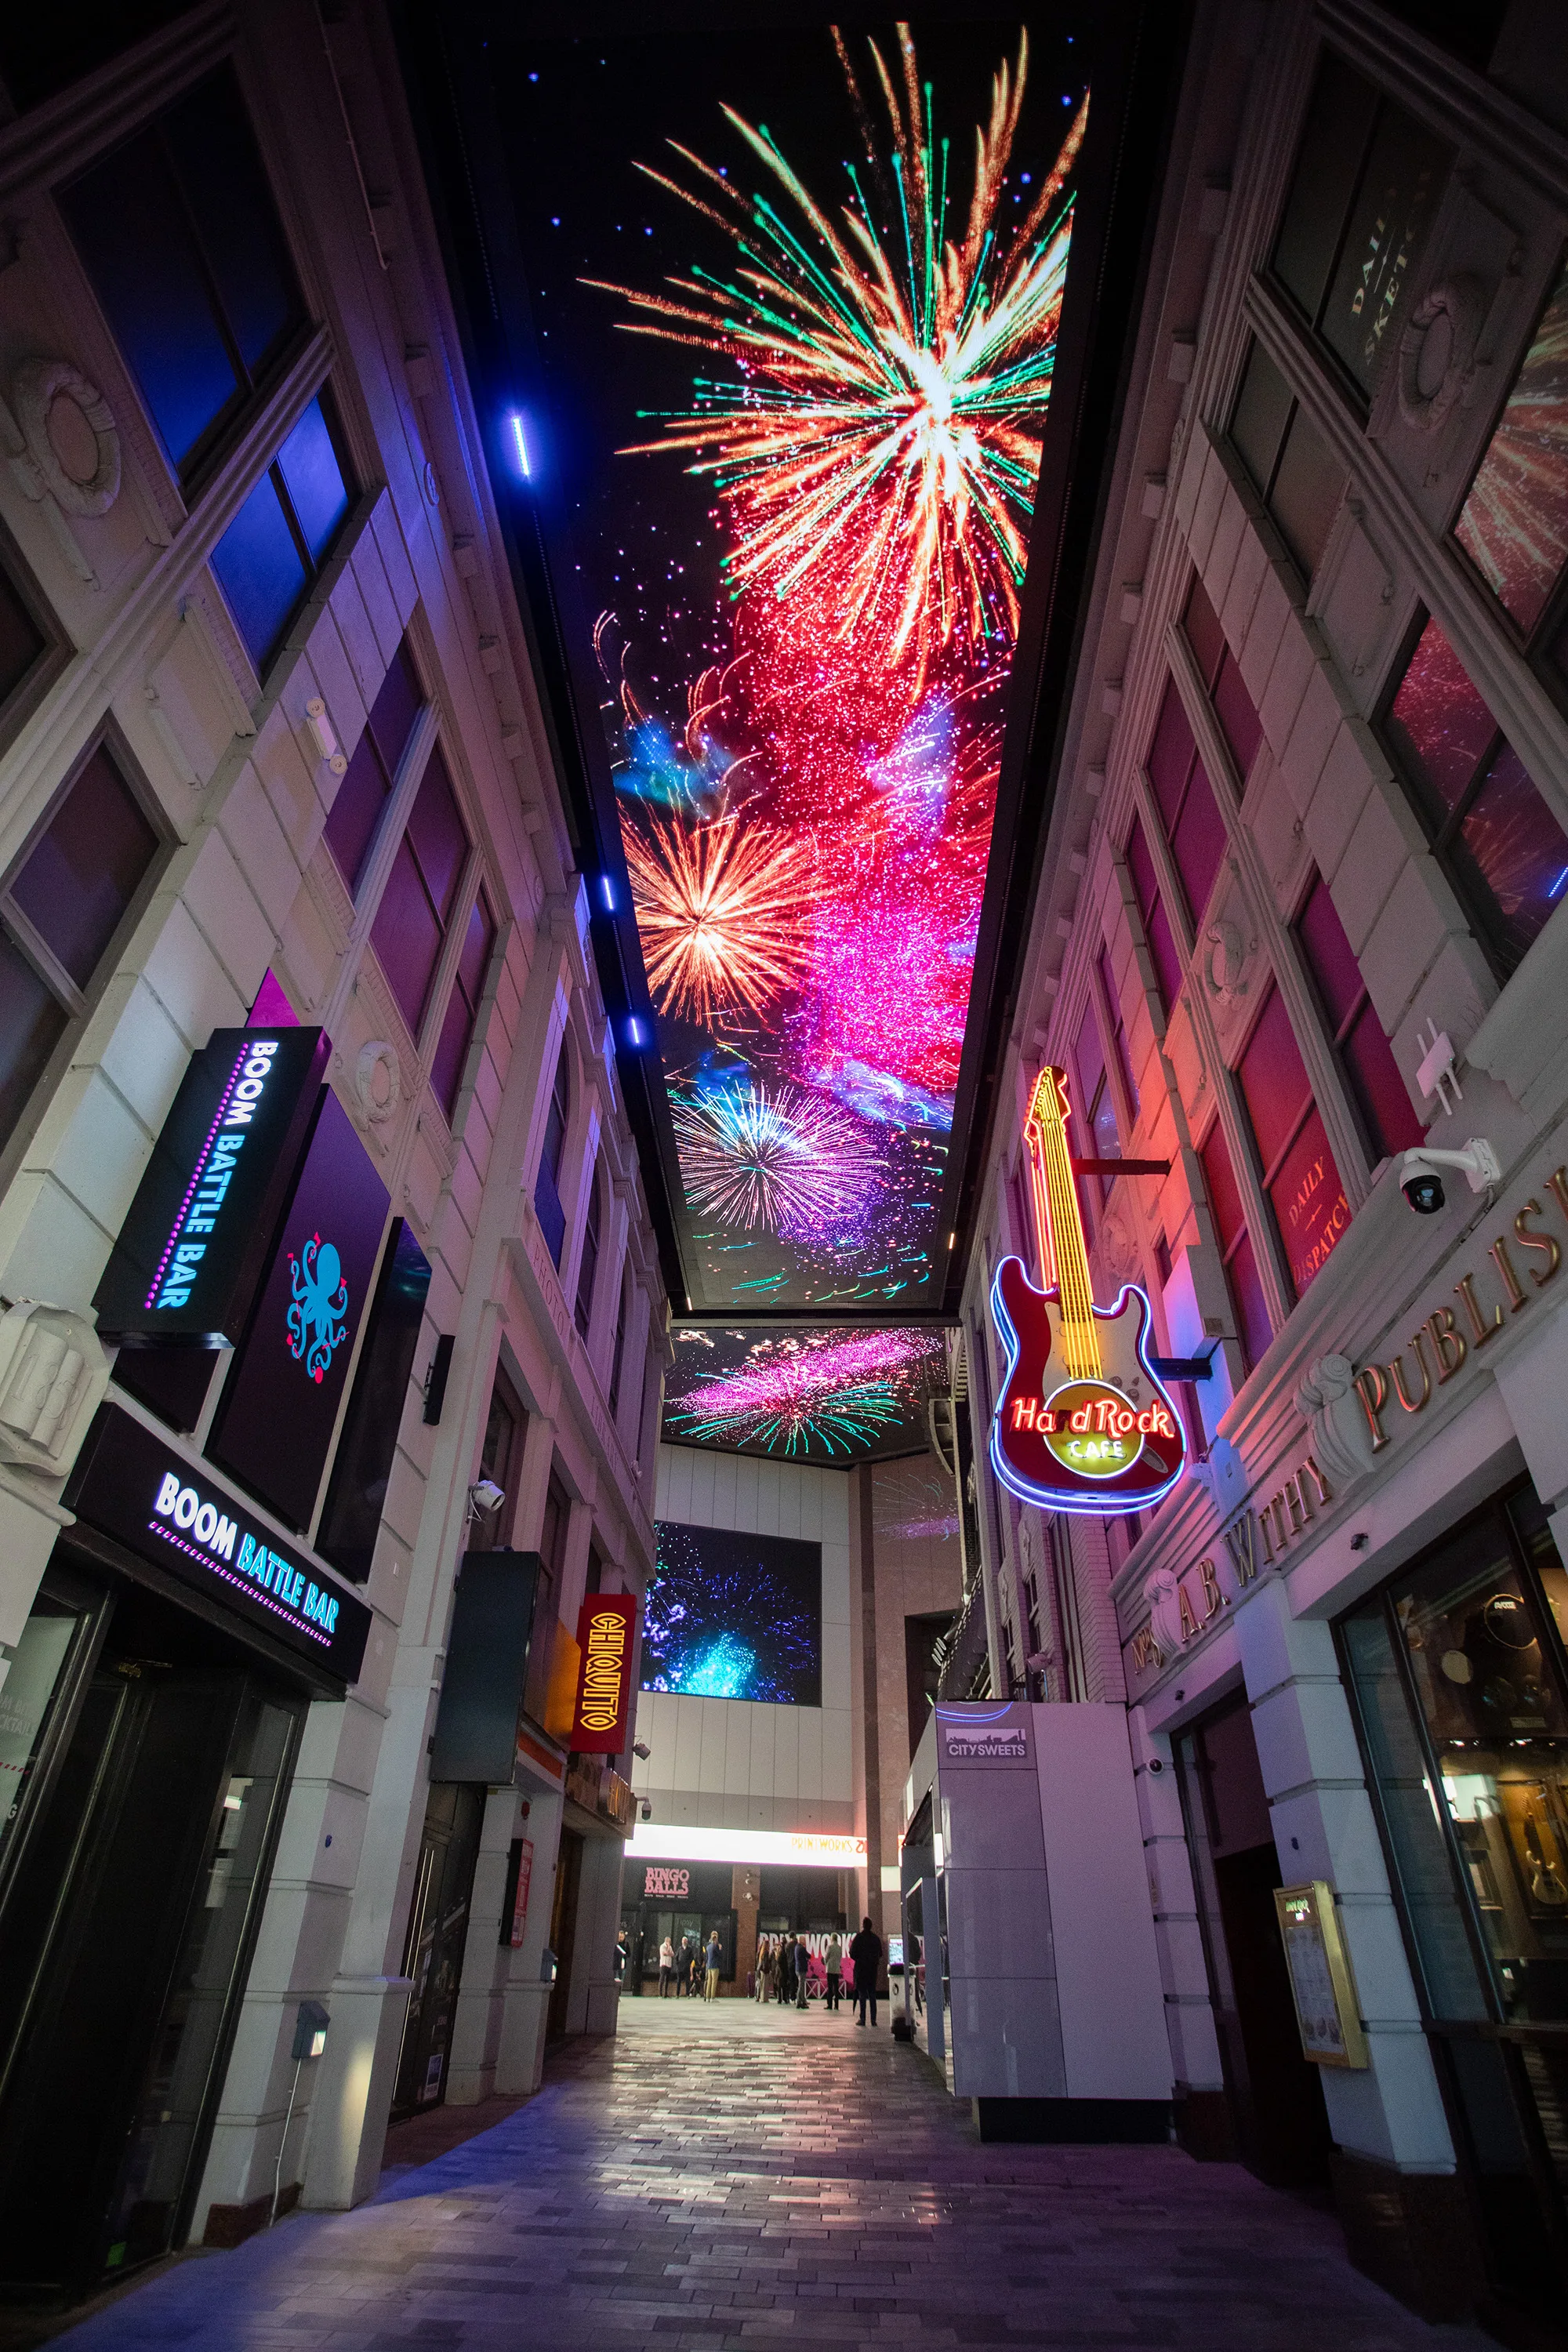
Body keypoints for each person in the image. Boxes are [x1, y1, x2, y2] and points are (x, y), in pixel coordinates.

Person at [849, 1916, 884, 2027]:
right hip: (872, 1970)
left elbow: (852, 1953)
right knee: (872, 1994)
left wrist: (860, 1959)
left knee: (862, 1995)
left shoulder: (859, 1938)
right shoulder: (876, 1939)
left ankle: (863, 2019)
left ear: (863, 1925)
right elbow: (880, 1953)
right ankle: (873, 2020)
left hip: (861, 1970)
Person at [824, 1930, 843, 2012]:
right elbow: (840, 1957)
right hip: (837, 1969)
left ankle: (829, 2004)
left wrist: (826, 1963)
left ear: (832, 1939)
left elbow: (826, 1957)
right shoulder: (839, 1947)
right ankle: (836, 2005)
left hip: (830, 1969)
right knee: (836, 1987)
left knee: (830, 1987)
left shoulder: (829, 1947)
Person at [703, 1928, 722, 2002]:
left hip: (709, 1965)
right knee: (714, 1982)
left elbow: (706, 1956)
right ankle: (712, 1997)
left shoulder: (708, 1946)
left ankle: (707, 1997)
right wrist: (720, 1948)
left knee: (709, 1982)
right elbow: (719, 1955)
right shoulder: (715, 1946)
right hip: (715, 1966)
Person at [794, 1932, 810, 2009]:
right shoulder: (802, 1948)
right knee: (801, 1986)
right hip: (802, 1969)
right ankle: (799, 2002)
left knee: (801, 1985)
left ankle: (802, 2000)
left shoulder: (796, 1947)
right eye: (804, 1940)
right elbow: (808, 1955)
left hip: (798, 1968)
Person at [658, 1933, 675, 1998]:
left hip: (669, 1965)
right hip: (663, 1964)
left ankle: (665, 1994)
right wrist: (668, 1950)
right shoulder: (662, 1946)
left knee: (667, 1980)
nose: (670, 1943)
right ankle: (660, 1994)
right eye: (669, 1941)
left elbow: (672, 1954)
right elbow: (666, 1953)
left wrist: (669, 1952)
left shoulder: (670, 1947)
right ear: (666, 1941)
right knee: (662, 1979)